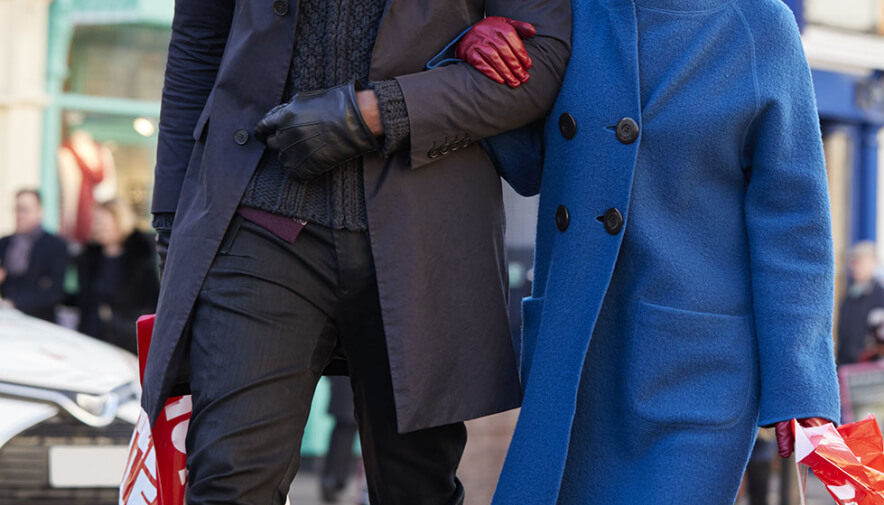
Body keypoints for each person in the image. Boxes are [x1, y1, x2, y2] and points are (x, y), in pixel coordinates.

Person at [145, 1, 571, 503]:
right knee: (228, 481)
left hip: (426, 233)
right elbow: (198, 40)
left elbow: (541, 60)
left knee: (415, 488)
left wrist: (374, 112)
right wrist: (172, 217)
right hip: (259, 211)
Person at [463, 1, 842, 502]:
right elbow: (527, 160)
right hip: (574, 357)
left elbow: (793, 222)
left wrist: (802, 383)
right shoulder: (573, 12)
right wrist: (478, 62)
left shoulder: (759, 25)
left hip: (695, 373)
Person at [77, 200, 159, 353]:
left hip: (130, 342)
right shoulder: (90, 257)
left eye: (101, 222)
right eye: (95, 222)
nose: (96, 227)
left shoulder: (142, 255)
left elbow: (151, 301)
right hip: (93, 340)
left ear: (119, 221)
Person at [0, 189, 69, 323]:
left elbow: (55, 291)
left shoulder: (55, 245)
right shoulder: (5, 243)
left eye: (25, 210)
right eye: (17, 209)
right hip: (8, 321)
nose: (19, 215)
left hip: (39, 321)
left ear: (39, 211)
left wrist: (15, 303)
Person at [836, 241, 884, 366]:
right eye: (854, 263)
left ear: (873, 264)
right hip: (847, 366)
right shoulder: (849, 297)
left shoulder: (883, 296)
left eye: (861, 263)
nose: (856, 267)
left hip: (871, 370)